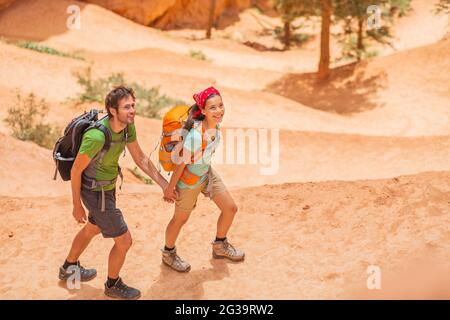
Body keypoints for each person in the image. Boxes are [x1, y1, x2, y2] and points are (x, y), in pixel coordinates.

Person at [58, 86, 174, 299]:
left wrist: (164, 185)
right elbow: (76, 170)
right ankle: (113, 284)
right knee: (124, 240)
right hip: (95, 192)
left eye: (133, 105)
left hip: (107, 189)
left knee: (92, 229)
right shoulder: (96, 137)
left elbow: (140, 158)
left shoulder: (128, 127)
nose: (132, 110)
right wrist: (77, 205)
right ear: (112, 110)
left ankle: (69, 267)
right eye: (126, 107)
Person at [162, 86, 245, 272]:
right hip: (189, 182)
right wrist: (170, 188)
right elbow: (181, 165)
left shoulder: (216, 127)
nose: (219, 111)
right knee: (180, 219)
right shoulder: (195, 136)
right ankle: (168, 253)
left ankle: (220, 245)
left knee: (230, 208)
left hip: (206, 174)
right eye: (213, 108)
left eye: (221, 105)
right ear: (204, 111)